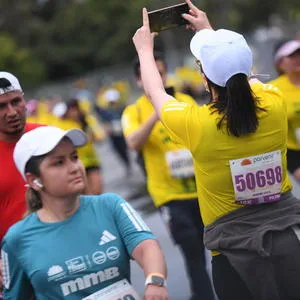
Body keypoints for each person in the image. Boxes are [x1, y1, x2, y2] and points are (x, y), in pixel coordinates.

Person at [131, 1, 300, 299]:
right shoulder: (275, 102)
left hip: (233, 258)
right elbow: (242, 78)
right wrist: (212, 34)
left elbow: (154, 92)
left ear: (203, 75)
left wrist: (145, 50)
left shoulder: (196, 123)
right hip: (287, 243)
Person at [1, 126, 169, 300]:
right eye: (59, 162)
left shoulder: (110, 205)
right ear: (34, 180)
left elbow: (147, 246)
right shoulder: (16, 239)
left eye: (74, 157)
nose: (74, 167)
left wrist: (155, 282)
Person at [122, 52, 215, 300]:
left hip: (203, 189)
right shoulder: (134, 111)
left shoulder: (184, 100)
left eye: (161, 73)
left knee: (219, 249)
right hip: (170, 197)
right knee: (193, 253)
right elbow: (132, 142)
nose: (158, 78)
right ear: (139, 80)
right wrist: (157, 109)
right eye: (150, 74)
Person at [0, 71, 42, 244]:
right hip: (13, 260)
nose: (11, 112)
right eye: (1, 106)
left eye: (16, 102)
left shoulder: (47, 136)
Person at [268, 40, 300, 185]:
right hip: (292, 150)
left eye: (299, 54)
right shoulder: (273, 89)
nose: (297, 58)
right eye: (292, 56)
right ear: (280, 63)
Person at [59, 99, 104, 195]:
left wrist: (95, 135)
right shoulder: (64, 125)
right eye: (71, 110)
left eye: (75, 109)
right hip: (78, 163)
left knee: (97, 190)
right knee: (86, 193)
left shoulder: (87, 120)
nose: (74, 112)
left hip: (92, 160)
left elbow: (99, 135)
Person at [95, 88, 132, 175]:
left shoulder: (122, 108)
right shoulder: (106, 111)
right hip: (113, 135)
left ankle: (128, 163)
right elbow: (103, 121)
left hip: (123, 133)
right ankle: (126, 164)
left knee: (125, 149)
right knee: (118, 150)